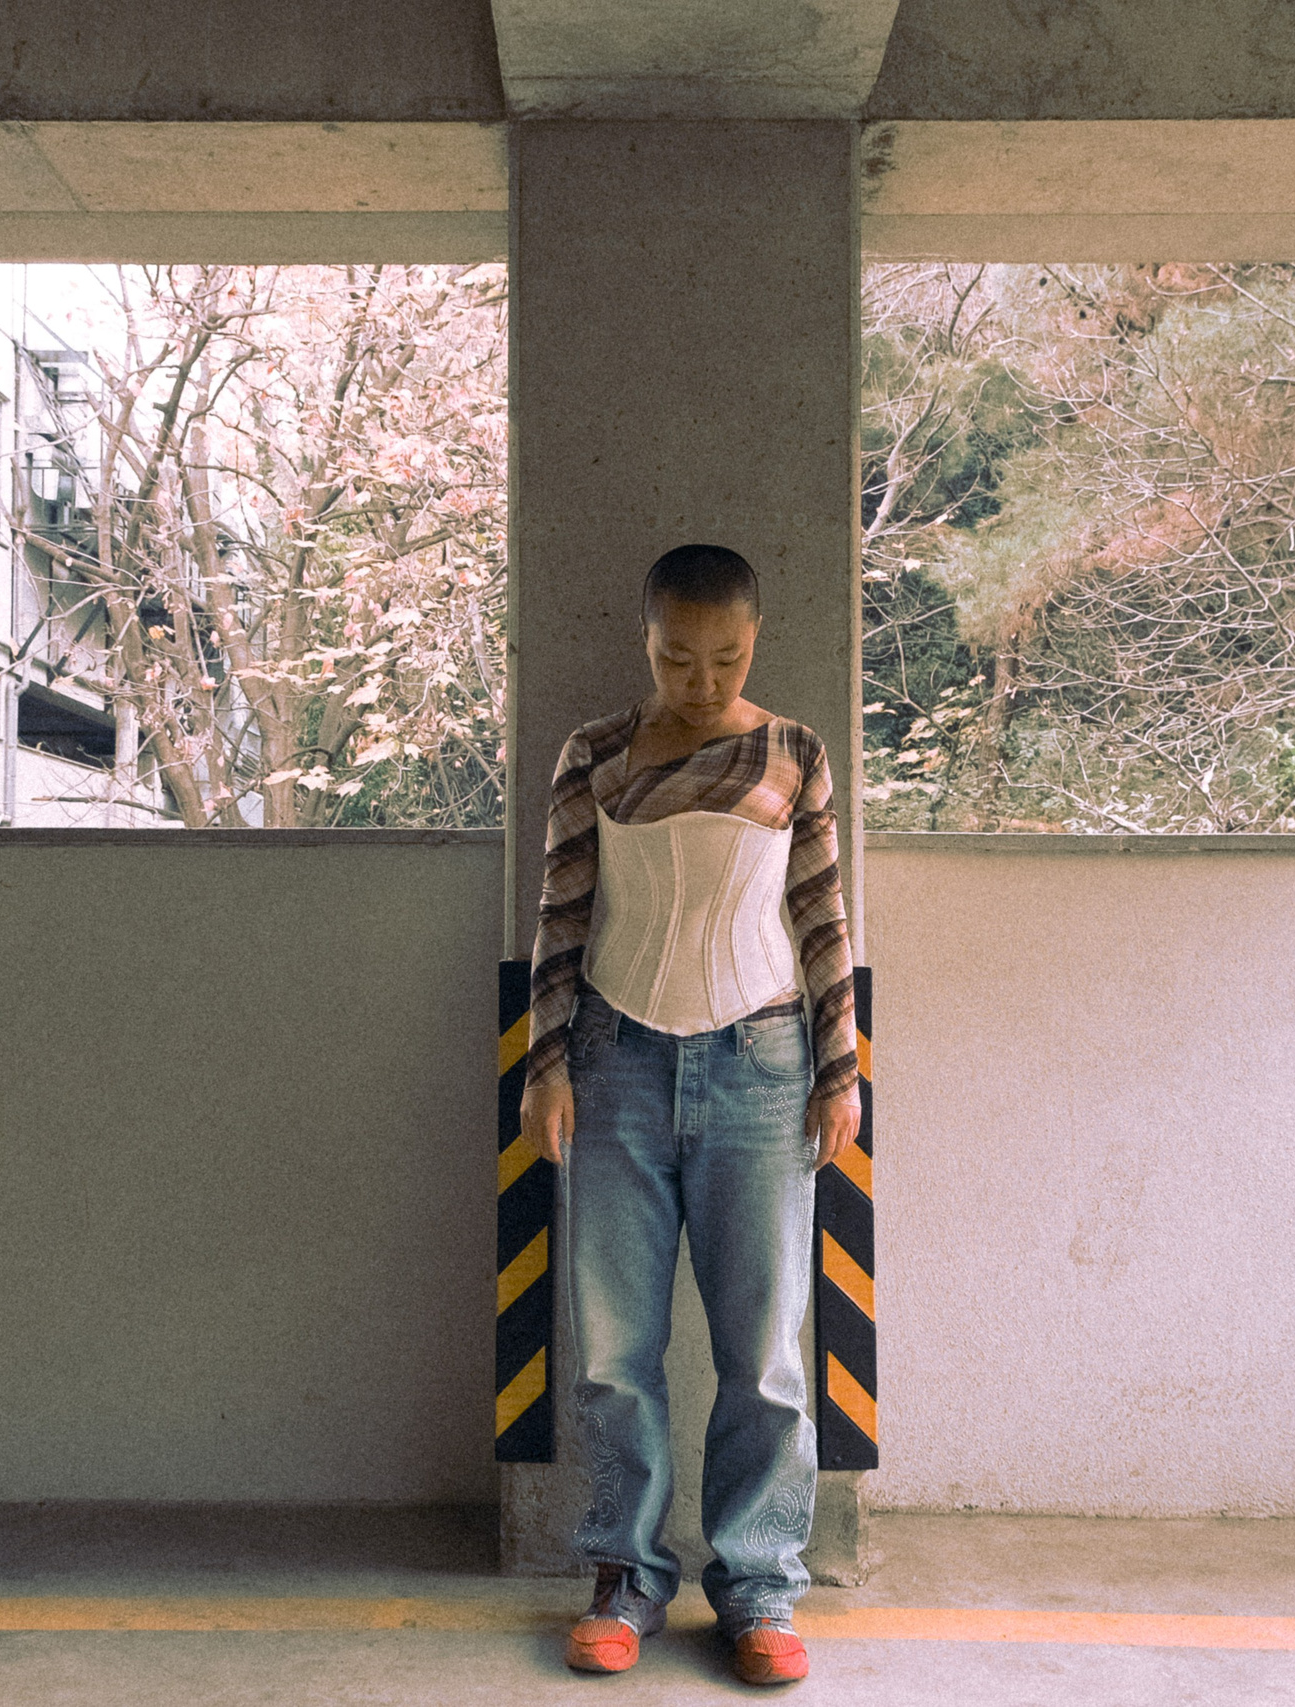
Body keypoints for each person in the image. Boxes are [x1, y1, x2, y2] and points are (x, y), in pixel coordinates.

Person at [520, 542, 861, 1688]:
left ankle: (759, 1589)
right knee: (616, 1353)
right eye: (677, 657)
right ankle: (624, 1578)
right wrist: (545, 1065)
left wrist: (839, 1071)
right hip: (612, 1061)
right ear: (647, 640)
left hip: (763, 1065)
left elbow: (822, 915)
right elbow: (562, 910)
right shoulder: (595, 753)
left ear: (754, 641)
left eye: (725, 658)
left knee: (762, 1355)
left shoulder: (794, 752)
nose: (702, 681)